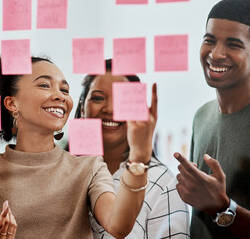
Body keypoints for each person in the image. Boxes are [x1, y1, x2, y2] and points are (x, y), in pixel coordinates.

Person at [0, 56, 157, 239]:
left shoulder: (89, 167)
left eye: (65, 90)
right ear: (12, 103)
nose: (60, 96)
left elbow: (119, 225)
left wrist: (139, 157)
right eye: (44, 85)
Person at [73, 59, 189, 238]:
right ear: (82, 107)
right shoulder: (64, 170)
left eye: (122, 100)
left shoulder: (162, 183)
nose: (110, 109)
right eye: (97, 98)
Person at [174, 0, 250, 238]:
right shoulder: (202, 116)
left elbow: (213, 206)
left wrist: (222, 207)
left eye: (234, 44)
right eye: (209, 40)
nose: (216, 54)